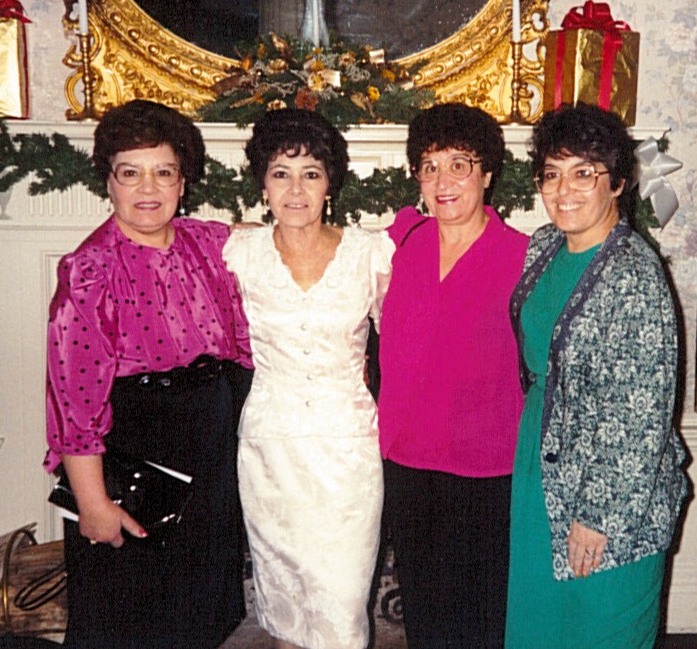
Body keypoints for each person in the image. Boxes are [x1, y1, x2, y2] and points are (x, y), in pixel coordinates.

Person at [43, 99, 253, 649]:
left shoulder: (207, 243)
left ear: (183, 181)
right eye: (130, 173)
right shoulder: (90, 271)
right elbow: (73, 399)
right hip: (132, 464)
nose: (148, 188)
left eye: (164, 172)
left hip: (209, 459)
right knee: (127, 620)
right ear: (108, 181)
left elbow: (280, 241)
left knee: (198, 619)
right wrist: (93, 503)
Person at [505, 103, 689, 648]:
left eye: (583, 173)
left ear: (618, 183)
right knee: (540, 625)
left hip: (611, 489)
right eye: (552, 174)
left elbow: (642, 414)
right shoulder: (543, 246)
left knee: (601, 626)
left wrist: (599, 514)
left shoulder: (636, 275)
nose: (564, 190)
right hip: (540, 466)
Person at [222, 108, 394, 649]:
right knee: (286, 606)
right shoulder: (236, 252)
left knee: (341, 607)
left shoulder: (370, 253)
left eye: (311, 174)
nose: (296, 190)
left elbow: (408, 342)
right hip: (270, 451)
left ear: (329, 185)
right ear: (263, 185)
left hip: (348, 453)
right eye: (281, 173)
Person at [377, 103, 529, 648]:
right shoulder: (402, 241)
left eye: (459, 165)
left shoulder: (522, 257)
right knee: (424, 615)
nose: (443, 182)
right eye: (430, 166)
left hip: (486, 470)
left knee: (481, 619)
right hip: (407, 463)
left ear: (487, 173)